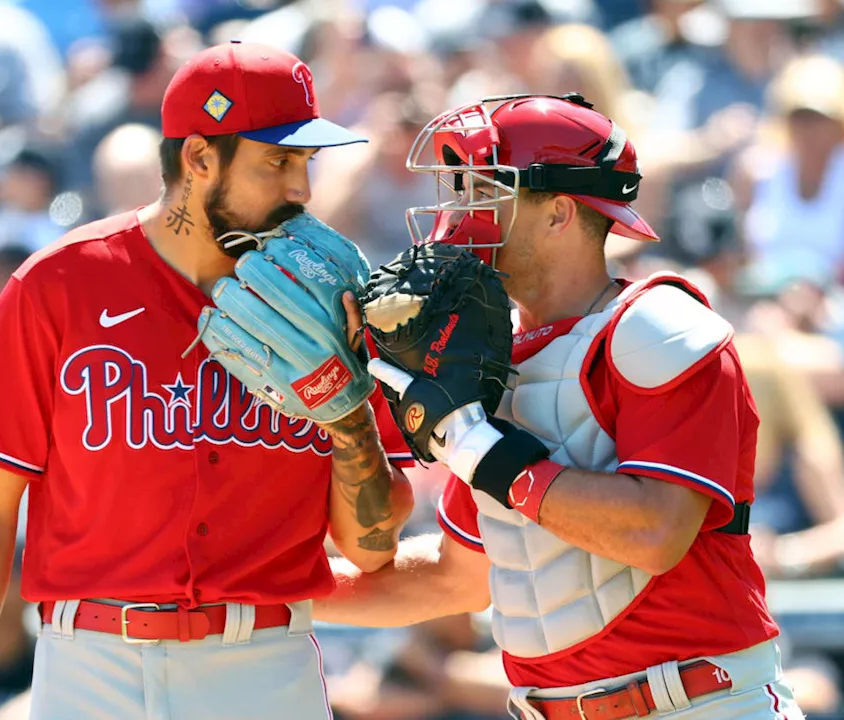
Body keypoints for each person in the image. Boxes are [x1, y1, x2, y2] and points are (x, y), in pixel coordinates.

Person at [0, 40, 416, 720]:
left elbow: (371, 547)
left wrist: (350, 416)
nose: (301, 188)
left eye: (306, 161)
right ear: (199, 158)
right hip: (89, 668)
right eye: (277, 161)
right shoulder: (60, 286)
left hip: (262, 667)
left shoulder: (339, 298)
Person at [317, 93, 804, 719]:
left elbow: (655, 533)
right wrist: (271, 589)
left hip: (696, 702)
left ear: (559, 214)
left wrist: (482, 454)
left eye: (482, 193)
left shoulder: (659, 328)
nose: (458, 216)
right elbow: (454, 577)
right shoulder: (487, 359)